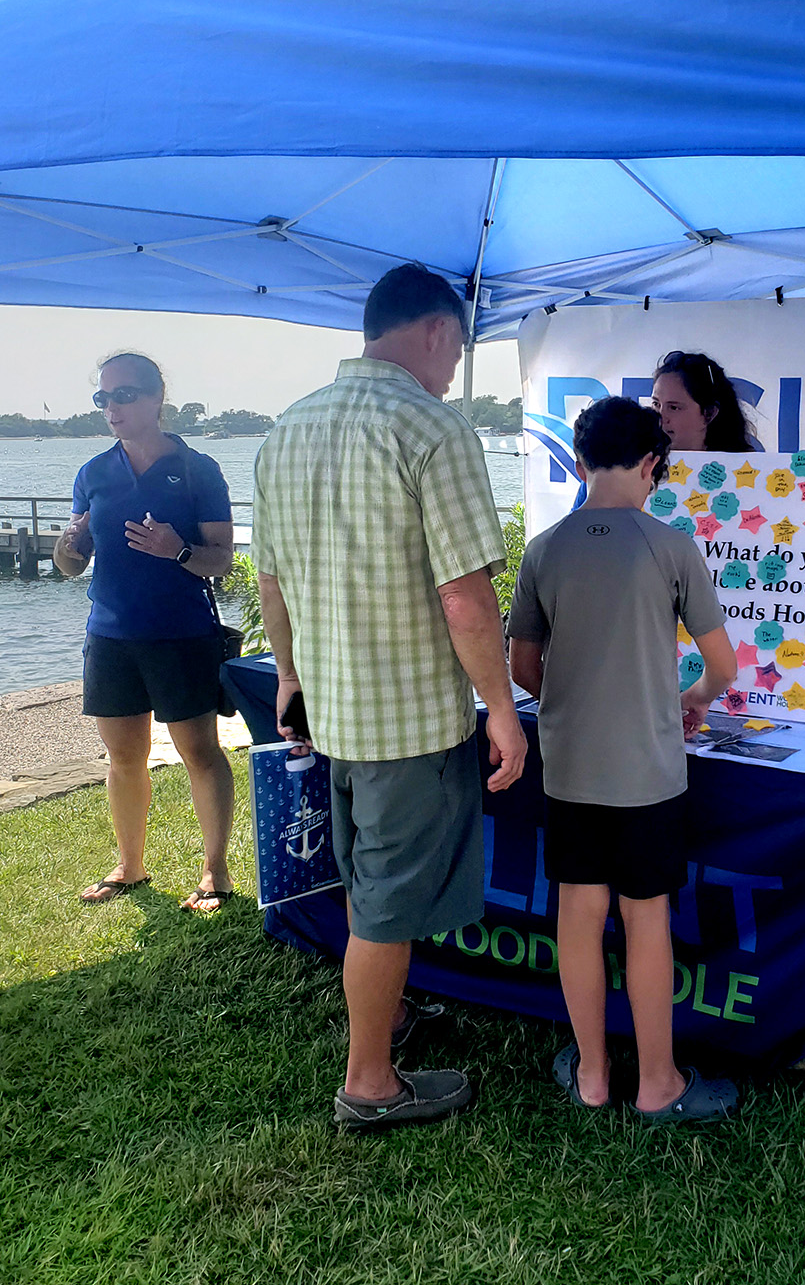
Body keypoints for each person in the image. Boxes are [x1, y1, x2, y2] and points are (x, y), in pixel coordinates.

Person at [254, 263, 526, 1132]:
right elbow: (465, 595)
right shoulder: (432, 427)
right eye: (459, 349)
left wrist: (290, 678)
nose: (454, 369)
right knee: (383, 901)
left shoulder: (284, 432)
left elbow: (271, 585)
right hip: (407, 719)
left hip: (333, 710)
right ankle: (370, 1081)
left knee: (368, 881)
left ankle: (392, 1018)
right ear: (438, 332)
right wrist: (504, 710)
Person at [506, 397, 741, 1122]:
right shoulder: (670, 547)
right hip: (649, 773)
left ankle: (594, 1078)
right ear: (652, 466)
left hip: (572, 765)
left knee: (579, 914)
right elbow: (722, 668)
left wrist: (573, 700)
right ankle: (660, 1083)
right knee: (646, 919)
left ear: (578, 463)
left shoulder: (544, 548)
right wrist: (687, 700)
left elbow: (522, 667)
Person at [53, 352, 238, 911]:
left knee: (199, 753)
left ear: (158, 399)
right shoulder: (94, 472)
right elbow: (69, 565)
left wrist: (175, 550)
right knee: (123, 757)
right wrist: (66, 545)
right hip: (110, 636)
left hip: (180, 635)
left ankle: (216, 872)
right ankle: (129, 867)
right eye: (103, 398)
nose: (113, 407)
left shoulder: (197, 468)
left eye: (125, 395)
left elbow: (222, 560)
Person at [650, 350, 763, 452]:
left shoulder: (739, 470)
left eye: (674, 407)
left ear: (708, 414)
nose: (660, 417)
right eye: (656, 404)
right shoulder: (638, 467)